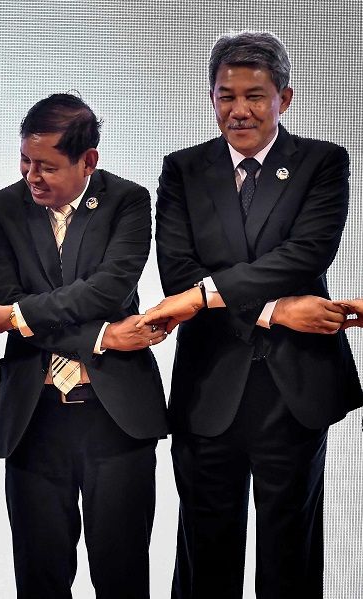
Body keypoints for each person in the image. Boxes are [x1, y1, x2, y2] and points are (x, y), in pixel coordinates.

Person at [139, 31, 363, 598]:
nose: (239, 110)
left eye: (255, 96)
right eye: (226, 96)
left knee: (292, 554)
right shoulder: (182, 170)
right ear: (211, 98)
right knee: (204, 553)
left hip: (295, 391)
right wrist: (275, 310)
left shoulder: (322, 163)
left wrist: (205, 296)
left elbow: (305, 254)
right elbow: (178, 276)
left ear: (283, 99)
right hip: (209, 386)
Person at [0, 93, 168, 598]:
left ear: (89, 160)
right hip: (36, 418)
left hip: (116, 418)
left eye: (47, 166)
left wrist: (17, 318)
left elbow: (107, 290)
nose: (32, 176)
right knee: (40, 576)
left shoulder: (128, 202)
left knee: (123, 572)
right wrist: (102, 335)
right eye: (25, 161)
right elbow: (7, 297)